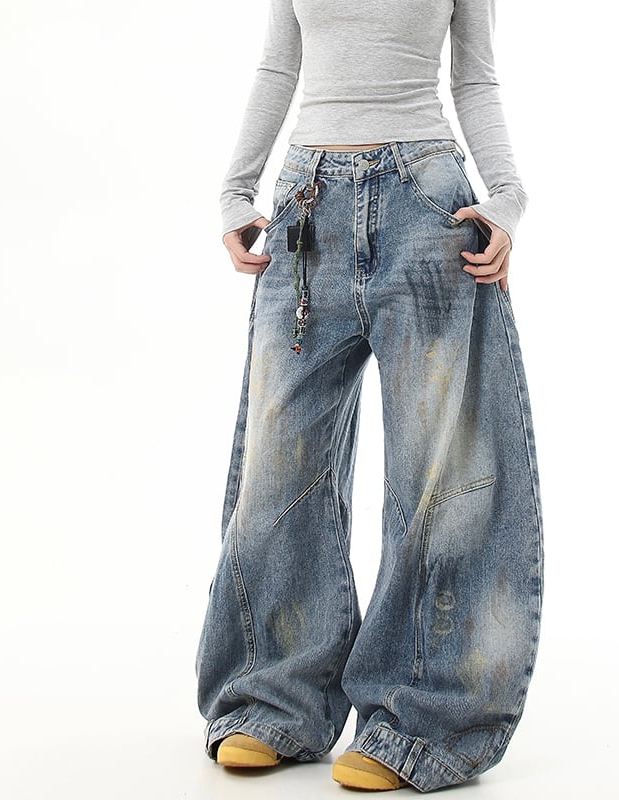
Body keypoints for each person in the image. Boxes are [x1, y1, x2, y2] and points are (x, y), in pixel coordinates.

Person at [194, 0, 544, 792]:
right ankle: (272, 701)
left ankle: (422, 717)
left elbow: (476, 77)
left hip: (428, 207)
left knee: (441, 476)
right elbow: (279, 64)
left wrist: (508, 197)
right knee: (278, 469)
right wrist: (236, 189)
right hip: (305, 207)